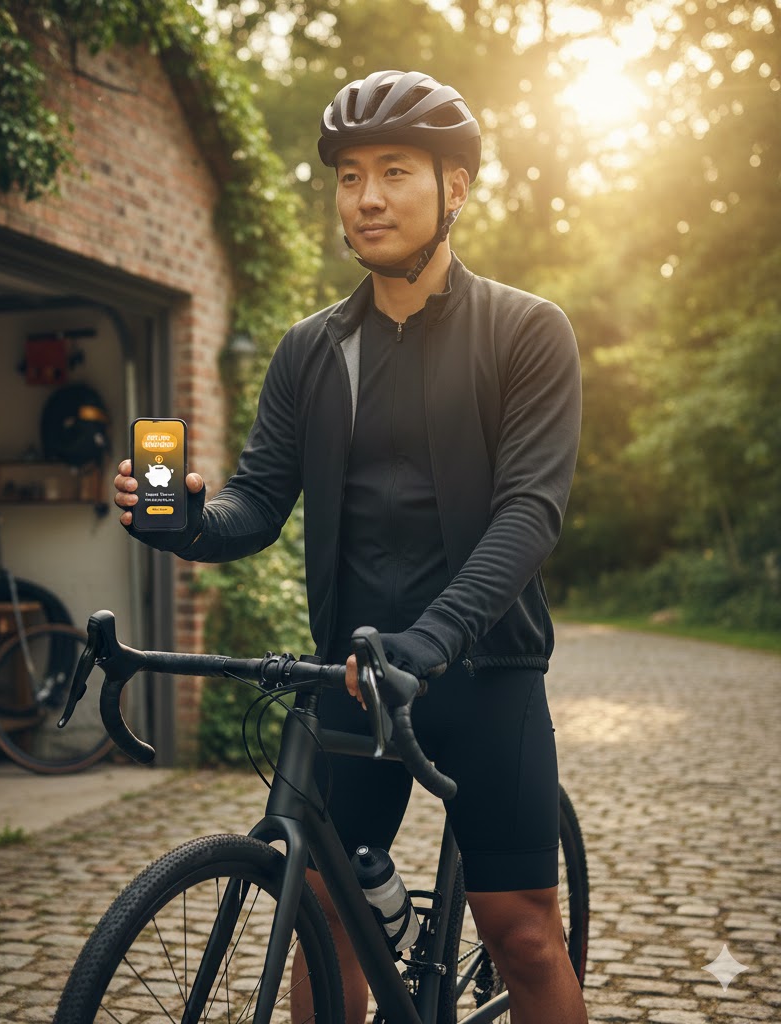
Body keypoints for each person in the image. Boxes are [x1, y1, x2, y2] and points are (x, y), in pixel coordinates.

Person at [114, 69, 586, 1024]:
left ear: (455, 188)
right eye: (349, 176)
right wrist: (190, 522)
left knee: (524, 934)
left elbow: (528, 513)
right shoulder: (310, 350)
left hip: (483, 671)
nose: (366, 198)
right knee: (324, 917)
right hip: (355, 677)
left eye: (396, 172)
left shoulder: (527, 333)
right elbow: (258, 503)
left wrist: (432, 641)